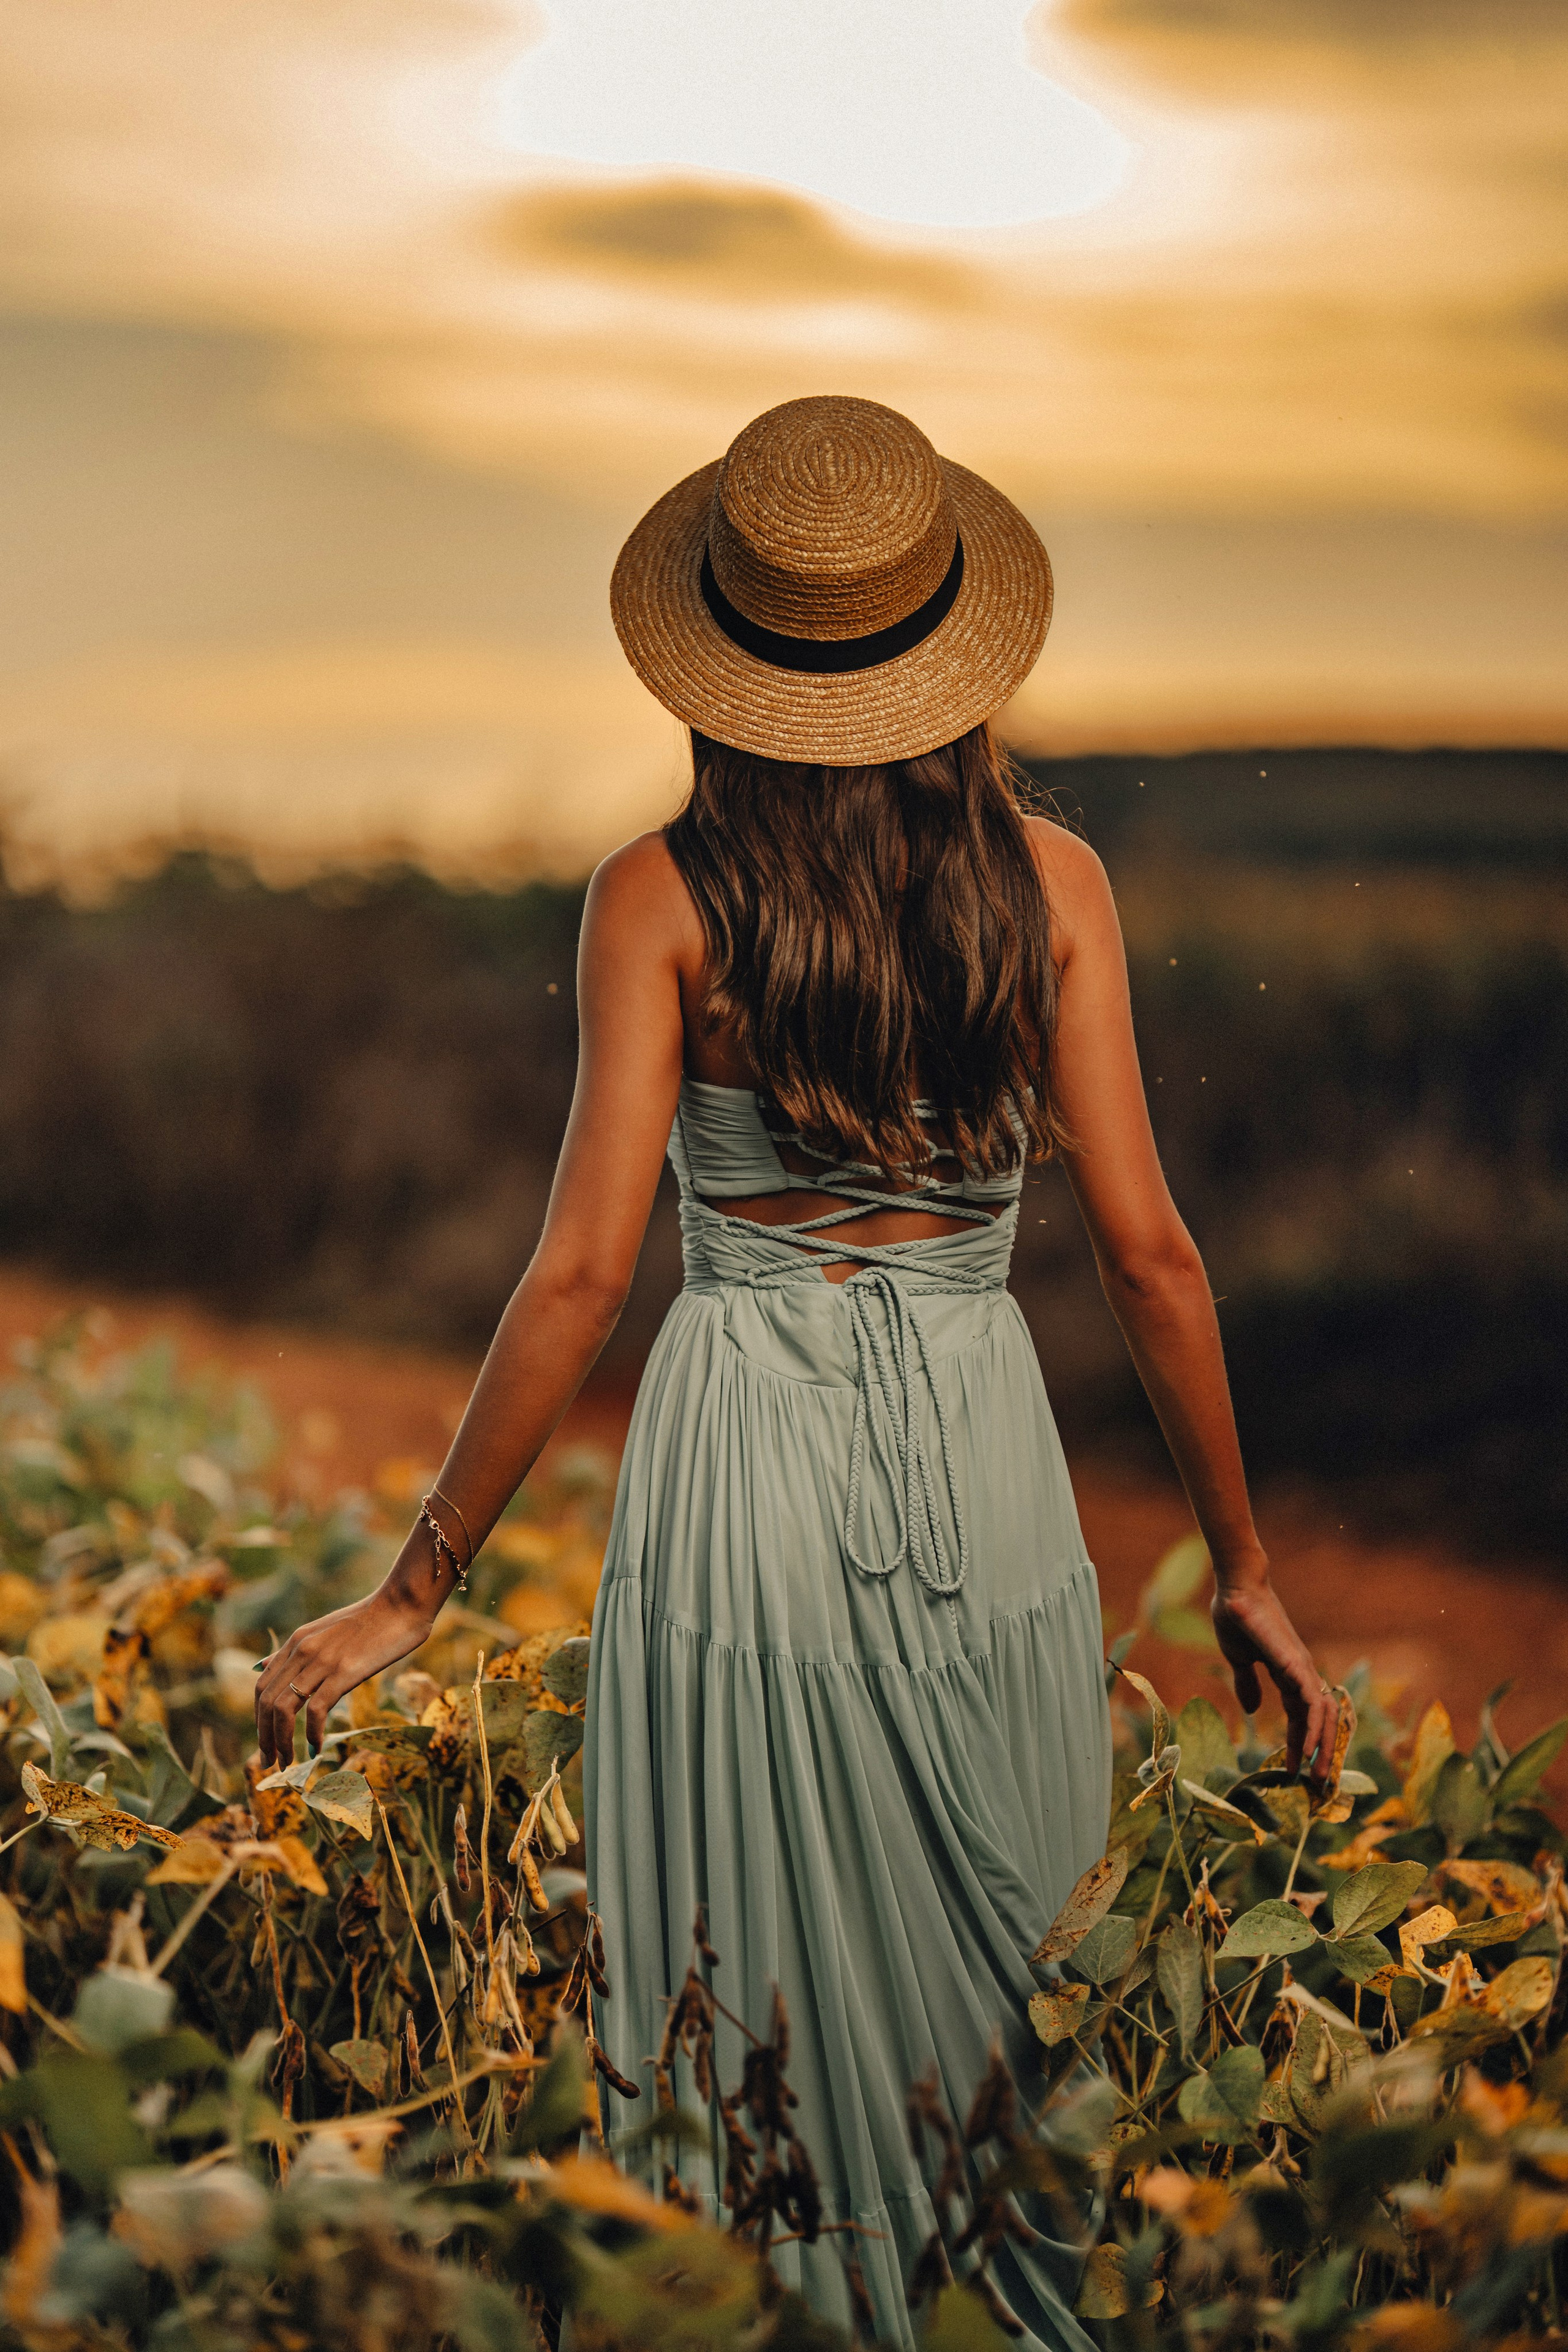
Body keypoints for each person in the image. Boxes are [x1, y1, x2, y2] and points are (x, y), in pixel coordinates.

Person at [255, 395, 1336, 2350]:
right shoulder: (1057, 885)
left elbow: (584, 1275)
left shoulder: (655, 902)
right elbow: (1156, 1257)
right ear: (951, 651)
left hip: (739, 1450)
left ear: (722, 661)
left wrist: (418, 1581)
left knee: (736, 1989)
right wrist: (1244, 1567)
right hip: (979, 1448)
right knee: (1017, 1989)